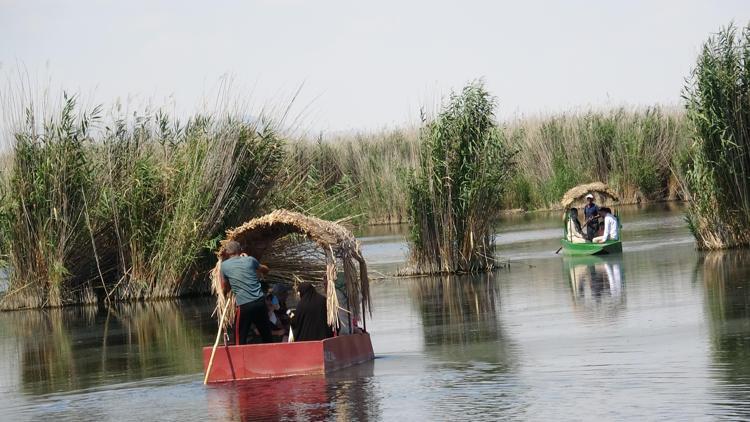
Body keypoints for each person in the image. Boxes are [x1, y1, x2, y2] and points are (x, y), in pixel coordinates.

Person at [218, 240, 272, 345]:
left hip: (244, 305)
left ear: (228, 252)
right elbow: (266, 270)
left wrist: (225, 294)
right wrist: (248, 259)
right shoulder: (250, 260)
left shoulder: (224, 266)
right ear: (240, 250)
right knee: (266, 334)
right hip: (260, 302)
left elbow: (225, 287)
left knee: (240, 337)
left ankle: (239, 357)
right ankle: (271, 355)